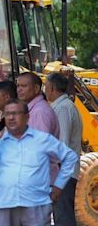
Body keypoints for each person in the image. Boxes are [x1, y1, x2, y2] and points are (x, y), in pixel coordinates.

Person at [0, 98, 78, 226]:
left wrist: (58, 186)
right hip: (6, 205)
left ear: (27, 117)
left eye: (16, 113)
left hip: (36, 206)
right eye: (8, 114)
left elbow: (70, 157)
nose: (11, 118)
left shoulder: (42, 139)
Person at [45, 72, 83, 226]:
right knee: (61, 215)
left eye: (46, 87)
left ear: (52, 88)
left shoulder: (63, 108)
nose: (45, 90)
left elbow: (62, 144)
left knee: (63, 216)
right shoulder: (64, 106)